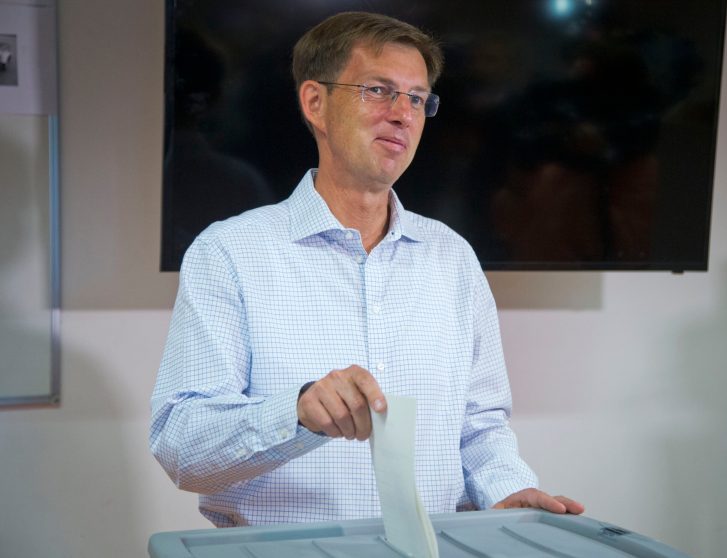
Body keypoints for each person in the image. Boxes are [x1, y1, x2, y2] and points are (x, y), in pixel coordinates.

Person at [150, 11, 584, 528]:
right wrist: (296, 414)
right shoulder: (229, 254)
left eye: (418, 98)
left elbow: (480, 428)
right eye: (379, 90)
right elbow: (181, 444)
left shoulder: (451, 257)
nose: (403, 114)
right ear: (315, 103)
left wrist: (508, 490)